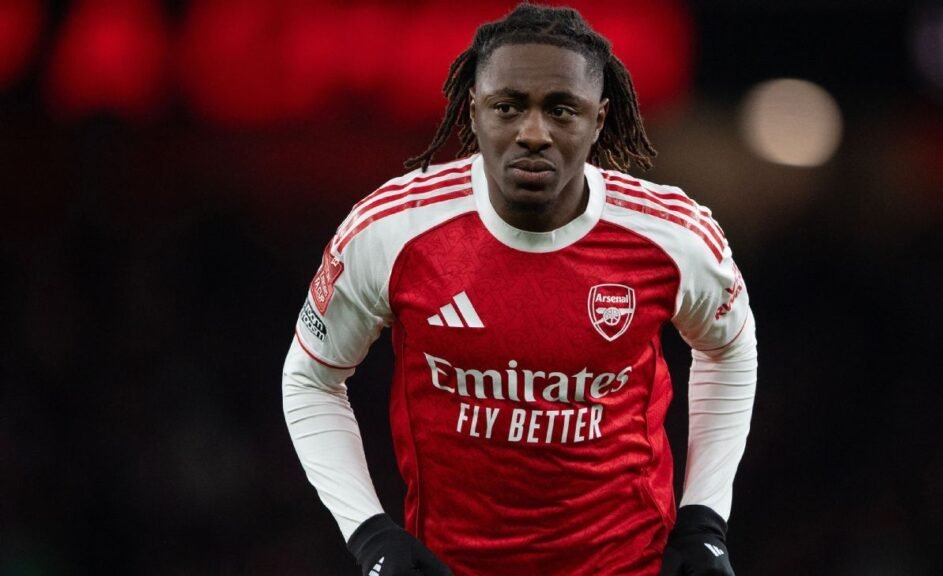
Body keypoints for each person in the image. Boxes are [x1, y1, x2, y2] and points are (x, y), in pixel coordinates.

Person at [282, 4, 756, 575]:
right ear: (474, 111)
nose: (533, 134)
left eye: (562, 109)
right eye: (508, 107)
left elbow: (730, 348)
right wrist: (370, 534)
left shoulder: (674, 235)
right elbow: (310, 378)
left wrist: (705, 518)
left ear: (599, 119)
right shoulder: (390, 229)